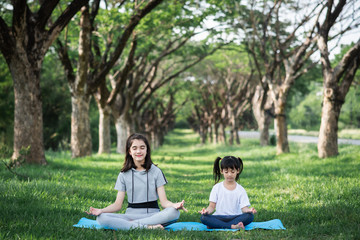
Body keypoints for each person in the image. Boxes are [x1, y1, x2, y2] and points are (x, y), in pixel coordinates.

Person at [86, 133, 187, 230]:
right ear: (129, 151)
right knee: (101, 218)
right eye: (134, 148)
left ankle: (129, 226)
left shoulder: (156, 171)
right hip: (130, 216)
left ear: (147, 150)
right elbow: (117, 205)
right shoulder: (123, 174)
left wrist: (174, 205)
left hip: (153, 215)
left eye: (142, 148)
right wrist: (101, 210)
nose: (139, 151)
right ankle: (146, 227)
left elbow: (164, 202)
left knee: (174, 212)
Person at [198, 156, 256, 229]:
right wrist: (206, 212)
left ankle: (217, 225)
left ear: (237, 171)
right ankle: (232, 226)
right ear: (222, 171)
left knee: (249, 216)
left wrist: (249, 210)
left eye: (232, 172)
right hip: (219, 217)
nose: (229, 174)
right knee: (204, 218)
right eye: (226, 172)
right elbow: (211, 206)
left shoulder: (241, 189)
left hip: (235, 217)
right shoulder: (216, 188)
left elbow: (244, 208)